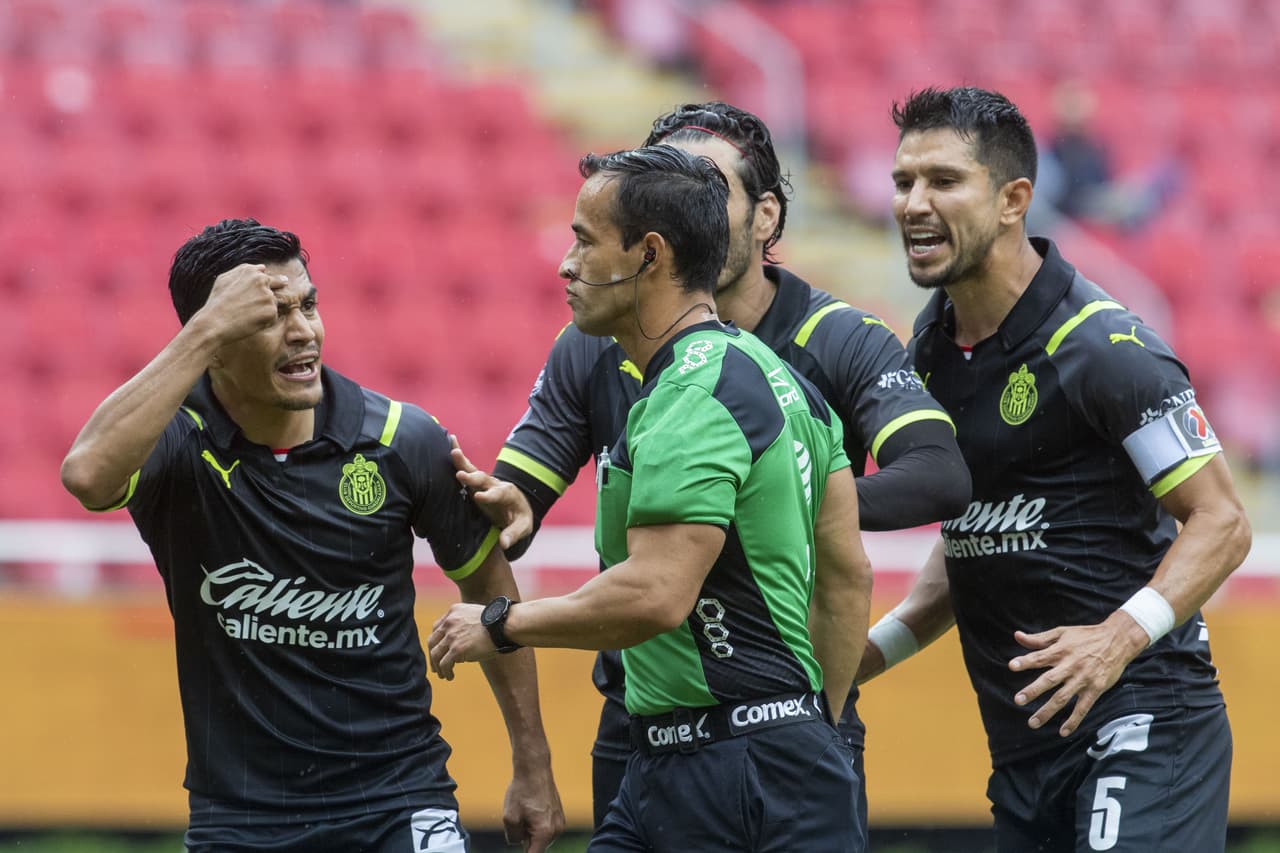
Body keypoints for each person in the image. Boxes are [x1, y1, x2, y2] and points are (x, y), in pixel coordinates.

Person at [451, 100, 972, 831]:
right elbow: (521, 496)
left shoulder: (837, 339)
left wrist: (764, 506)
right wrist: (505, 504)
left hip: (778, 714)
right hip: (638, 719)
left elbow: (941, 475)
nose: (683, 195)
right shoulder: (597, 339)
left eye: (705, 184)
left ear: (764, 217)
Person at [59, 219, 564, 852]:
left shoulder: (402, 439)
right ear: (211, 341)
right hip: (239, 817)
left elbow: (494, 594)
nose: (303, 332)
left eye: (308, 305)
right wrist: (205, 330)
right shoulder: (176, 443)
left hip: (398, 800)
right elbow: (86, 476)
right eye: (268, 316)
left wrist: (533, 764)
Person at [859, 87, 1252, 852]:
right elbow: (972, 538)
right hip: (1028, 745)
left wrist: (1115, 637)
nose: (912, 202)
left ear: (1014, 200)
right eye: (904, 181)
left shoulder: (1103, 347)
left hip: (1144, 717)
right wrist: (872, 655)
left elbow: (1224, 521)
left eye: (942, 181)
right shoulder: (932, 349)